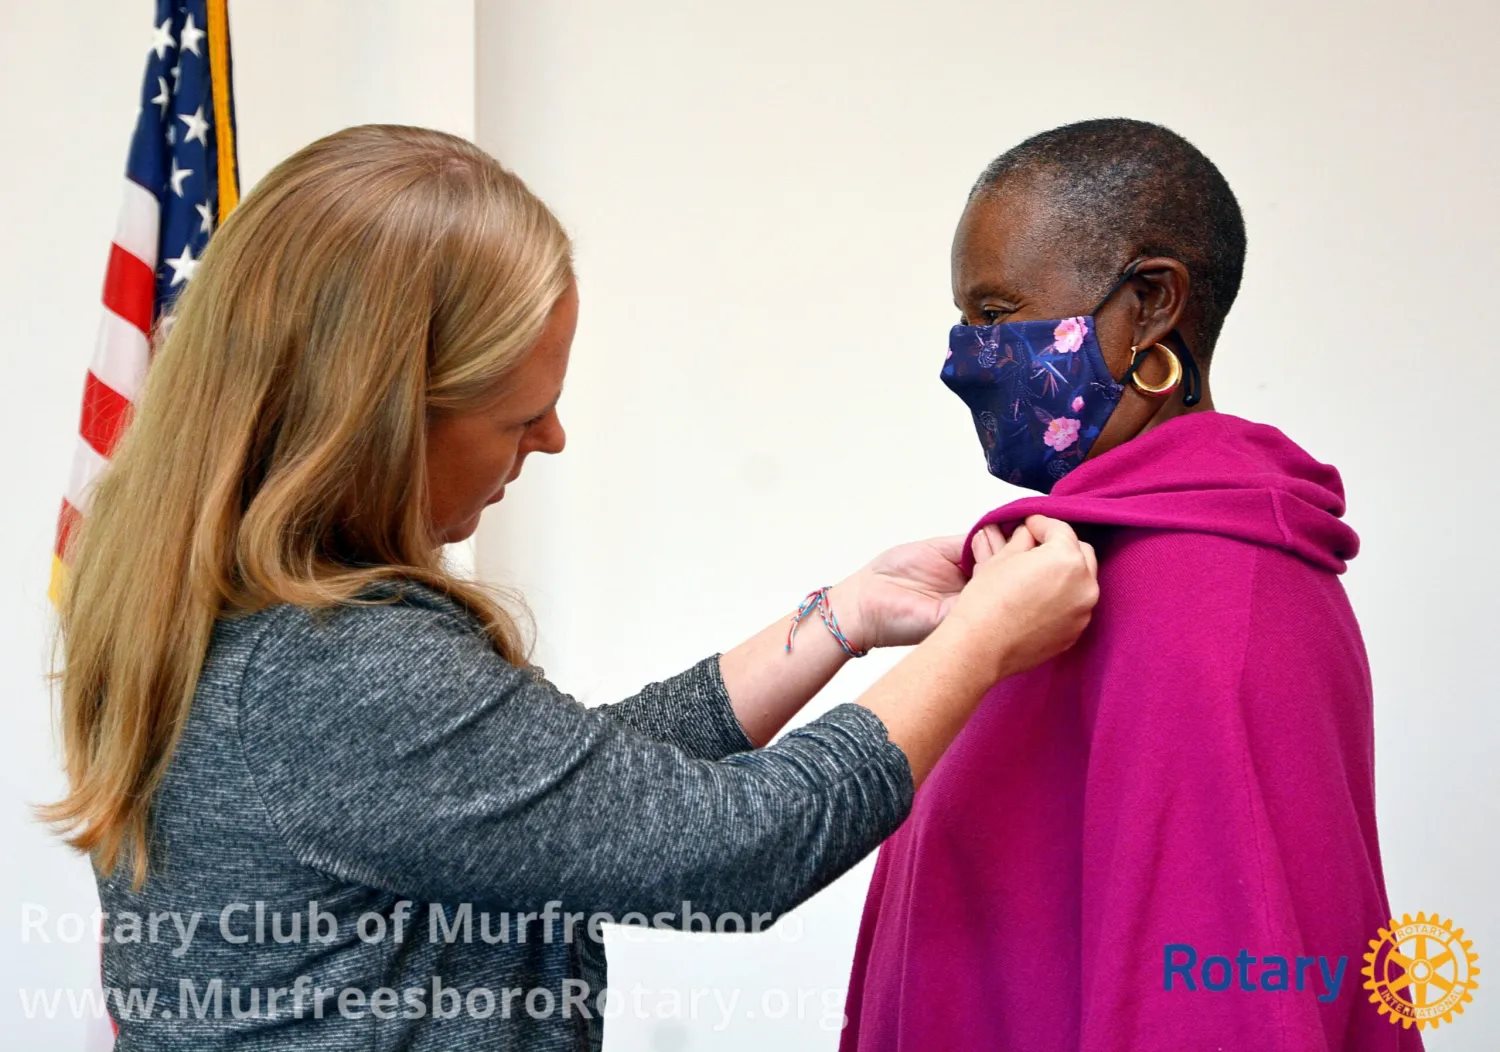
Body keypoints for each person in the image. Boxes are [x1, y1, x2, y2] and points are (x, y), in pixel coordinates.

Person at [40, 124, 1100, 1051]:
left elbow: (566, 792)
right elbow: (736, 850)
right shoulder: (331, 664)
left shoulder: (242, 614)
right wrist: (979, 643)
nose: (551, 437)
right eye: (518, 414)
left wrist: (843, 616)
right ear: (383, 416)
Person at [839, 119, 1422, 1051]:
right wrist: (842, 617)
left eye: (996, 313)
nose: (963, 360)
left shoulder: (1208, 596)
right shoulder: (1054, 579)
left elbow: (1218, 1002)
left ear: (1150, 304)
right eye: (963, 321)